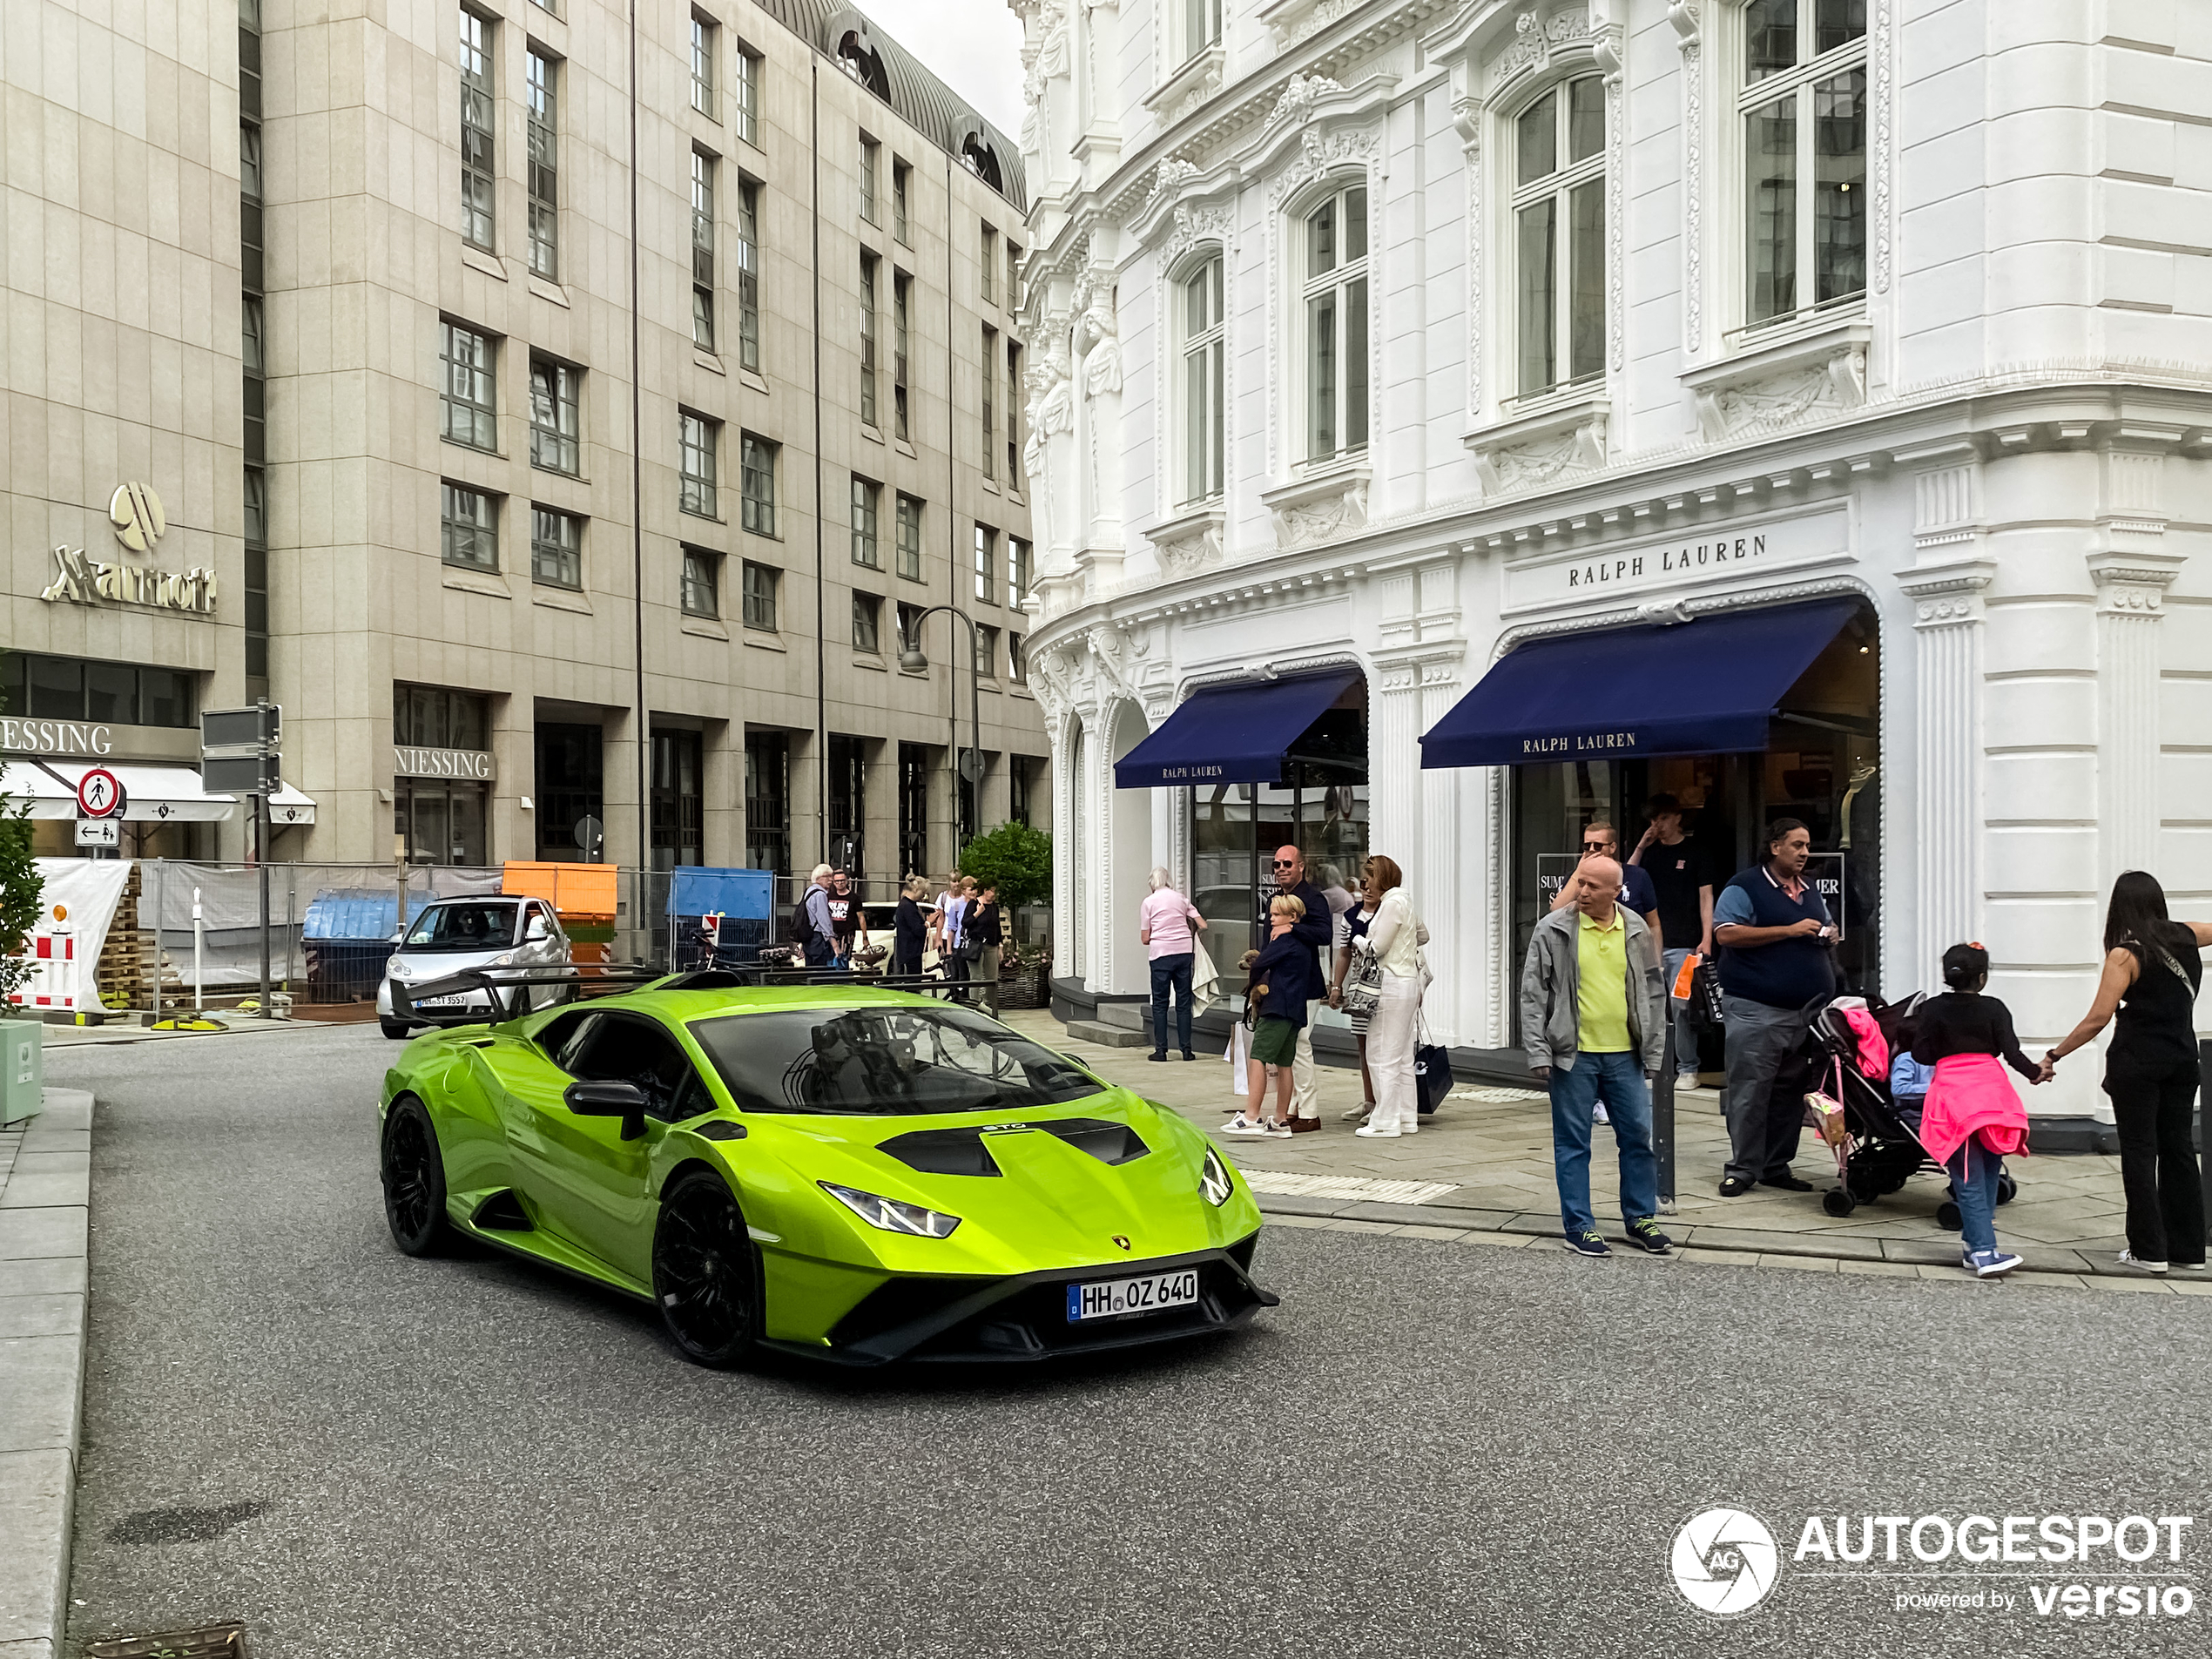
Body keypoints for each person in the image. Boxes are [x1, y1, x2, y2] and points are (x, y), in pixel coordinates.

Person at [2040, 871, 2212, 1274]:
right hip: (2183, 1060)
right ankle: (2188, 1251)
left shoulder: (2125, 954)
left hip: (2138, 1064)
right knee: (2180, 1151)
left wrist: (2054, 1054)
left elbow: (2098, 1018)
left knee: (2139, 1152)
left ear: (2120, 906)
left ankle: (2149, 1250)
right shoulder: (2189, 936)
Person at [1518, 855, 1673, 1257]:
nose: (1581, 891)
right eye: (1579, 882)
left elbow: (1653, 993)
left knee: (1638, 1138)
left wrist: (1653, 1052)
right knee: (1573, 1144)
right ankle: (1579, 1226)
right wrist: (1538, 1049)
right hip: (1574, 1055)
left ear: (1615, 892)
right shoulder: (1553, 928)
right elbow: (1533, 993)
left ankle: (1640, 1219)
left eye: (1591, 886)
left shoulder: (1635, 928)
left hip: (1626, 1054)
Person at [1711, 819, 1836, 1197]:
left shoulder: (1809, 888)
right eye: (1797, 845)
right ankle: (1743, 1169)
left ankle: (1775, 1166)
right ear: (1775, 847)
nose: (1804, 853)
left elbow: (1825, 926)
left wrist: (1830, 935)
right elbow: (1725, 933)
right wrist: (1790, 930)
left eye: (1807, 845)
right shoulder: (1744, 886)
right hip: (1756, 1009)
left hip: (1805, 1014)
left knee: (1788, 1094)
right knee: (1750, 1091)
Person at [1909, 942, 2036, 1278]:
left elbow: (1920, 1053)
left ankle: (1978, 1247)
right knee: (1991, 1170)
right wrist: (2038, 1072)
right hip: (1993, 1095)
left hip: (1953, 1098)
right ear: (1982, 978)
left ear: (1947, 976)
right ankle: (1980, 1249)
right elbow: (2012, 1053)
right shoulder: (1995, 1008)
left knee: (1967, 1175)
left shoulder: (1933, 1009)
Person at [1629, 793, 1716, 1087]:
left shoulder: (1697, 852)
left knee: (1680, 1005)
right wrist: (1643, 843)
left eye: (1663, 818)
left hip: (1685, 943)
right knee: (1650, 1005)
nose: (1658, 825)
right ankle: (1653, 1066)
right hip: (1649, 944)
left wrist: (1706, 938)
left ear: (1677, 817)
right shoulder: (1651, 854)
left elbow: (1706, 897)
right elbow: (1625, 880)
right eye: (1653, 820)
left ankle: (1688, 1067)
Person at [1258, 845, 1333, 1131]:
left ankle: (1310, 1113)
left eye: (1287, 864)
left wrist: (1294, 928)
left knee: (1300, 1045)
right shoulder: (1275, 899)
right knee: (1288, 1048)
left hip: (1305, 985)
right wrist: (1262, 978)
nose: (1281, 869)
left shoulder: (1313, 899)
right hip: (1279, 984)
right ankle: (1292, 1107)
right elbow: (1267, 943)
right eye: (1276, 865)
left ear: (1301, 866)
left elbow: (1325, 934)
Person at [1354, 854, 1430, 1140]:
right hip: (1409, 982)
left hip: (1391, 982)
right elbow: (1423, 935)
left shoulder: (1391, 905)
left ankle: (1385, 1120)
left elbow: (1376, 948)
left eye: (1369, 878)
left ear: (1380, 878)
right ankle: (1406, 1116)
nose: (1367, 884)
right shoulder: (1406, 902)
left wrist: (1359, 940)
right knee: (1400, 1055)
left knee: (1380, 1052)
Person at [1224, 895, 1312, 1139]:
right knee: (1284, 1064)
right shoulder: (1302, 943)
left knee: (1258, 1057)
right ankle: (1280, 1120)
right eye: (1271, 914)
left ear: (1291, 918)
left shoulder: (1286, 941)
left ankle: (1251, 1116)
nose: (1270, 919)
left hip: (1277, 1007)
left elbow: (1261, 963)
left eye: (1276, 915)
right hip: (1294, 1010)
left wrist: (1275, 940)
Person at [1550, 819, 1662, 937]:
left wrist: (1655, 955)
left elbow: (1653, 924)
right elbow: (1556, 912)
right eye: (1587, 846)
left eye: (1598, 846)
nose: (1592, 849)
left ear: (1612, 847)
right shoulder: (1575, 877)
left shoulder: (1637, 876)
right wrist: (1580, 871)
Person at [1138, 867, 1205, 1062]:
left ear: (1152, 883)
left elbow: (1145, 938)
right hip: (1184, 952)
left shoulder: (1148, 902)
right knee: (1184, 1003)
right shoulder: (1181, 898)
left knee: (1160, 1003)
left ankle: (1161, 1051)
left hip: (1161, 954)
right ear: (1169, 881)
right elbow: (1203, 924)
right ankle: (1187, 1051)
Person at [1327, 873, 1379, 1123]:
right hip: (1360, 988)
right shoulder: (1351, 916)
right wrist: (1337, 986)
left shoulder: (1391, 911)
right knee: (1363, 1045)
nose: (1367, 889)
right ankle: (1370, 1100)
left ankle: (1386, 1102)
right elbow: (1344, 953)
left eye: (1373, 883)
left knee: (1385, 1047)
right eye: (1364, 884)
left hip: (1388, 988)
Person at [969, 883, 1004, 1015]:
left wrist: (1000, 946)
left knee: (992, 977)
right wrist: (978, 913)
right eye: (992, 891)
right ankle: (974, 1005)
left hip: (992, 944)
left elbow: (997, 927)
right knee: (976, 976)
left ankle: (991, 1006)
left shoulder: (994, 907)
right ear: (985, 891)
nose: (994, 894)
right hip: (976, 945)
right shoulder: (974, 904)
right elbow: (966, 923)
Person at [941, 877, 976, 1002]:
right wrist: (949, 949)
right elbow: (951, 928)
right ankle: (959, 999)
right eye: (971, 889)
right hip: (959, 945)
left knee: (969, 975)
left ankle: (968, 999)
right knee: (958, 975)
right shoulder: (957, 906)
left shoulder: (978, 906)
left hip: (972, 945)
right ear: (963, 890)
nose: (974, 892)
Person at [826, 869, 867, 969]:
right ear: (833, 882)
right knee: (830, 958)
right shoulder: (828, 896)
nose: (840, 883)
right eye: (837, 881)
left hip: (847, 934)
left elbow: (861, 917)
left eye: (842, 880)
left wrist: (865, 937)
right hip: (831, 934)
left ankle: (842, 979)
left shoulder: (854, 898)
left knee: (843, 958)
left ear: (847, 881)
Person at [892, 875, 930, 978]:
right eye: (922, 892)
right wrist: (927, 923)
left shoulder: (906, 904)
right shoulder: (908, 907)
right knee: (913, 981)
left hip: (908, 950)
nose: (923, 896)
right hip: (911, 951)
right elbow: (918, 929)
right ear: (916, 890)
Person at [800, 864, 838, 968]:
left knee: (810, 968)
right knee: (820, 969)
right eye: (827, 876)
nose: (831, 880)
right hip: (818, 937)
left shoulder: (808, 891)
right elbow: (823, 919)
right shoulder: (820, 895)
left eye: (831, 876)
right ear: (818, 878)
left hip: (808, 935)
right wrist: (832, 939)